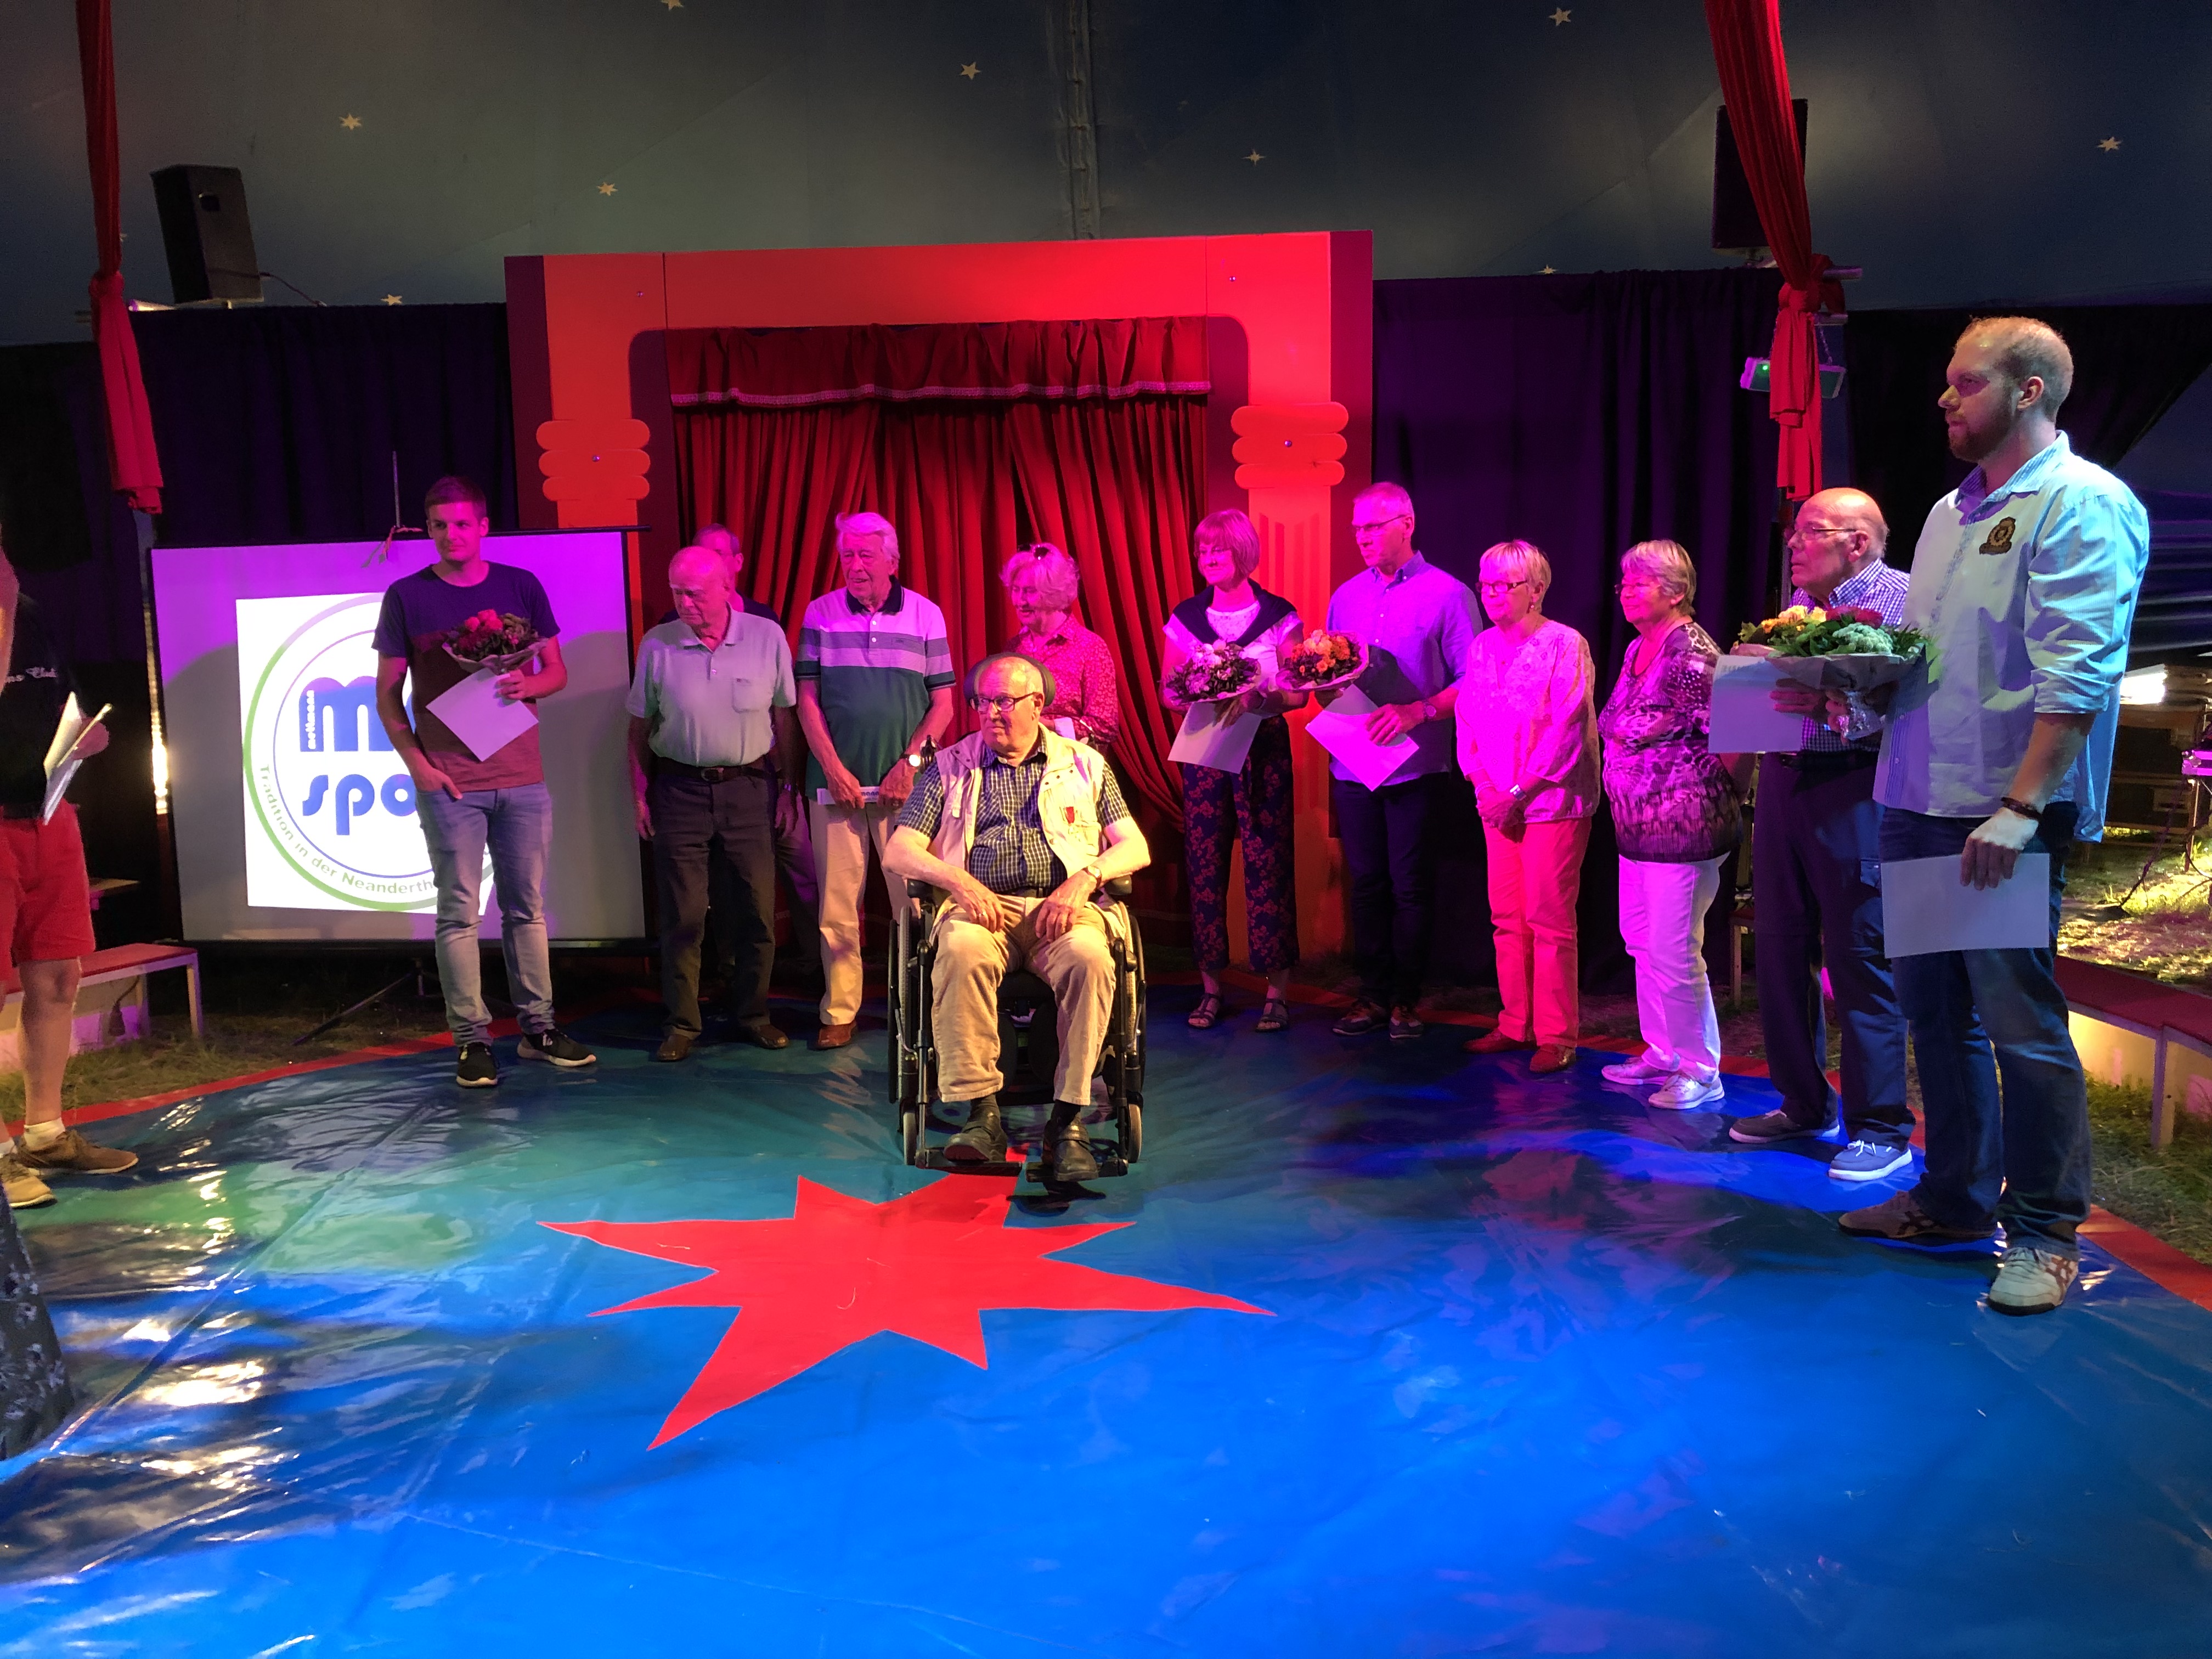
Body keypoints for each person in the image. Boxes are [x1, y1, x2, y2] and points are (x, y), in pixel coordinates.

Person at [1838, 318, 2149, 1317]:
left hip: (1996, 814)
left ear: (2028, 390)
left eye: (1965, 382)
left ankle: (2046, 1234)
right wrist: (1852, 679)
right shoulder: (1945, 512)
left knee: (2021, 1029)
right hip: (1917, 801)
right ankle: (1952, 1201)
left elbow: (2078, 674)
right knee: (1937, 1020)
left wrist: (2021, 807)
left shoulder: (2080, 500)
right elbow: (1932, 659)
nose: (1944, 398)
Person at [882, 654, 1151, 1182]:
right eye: (982, 701)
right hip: (983, 909)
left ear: (1037, 704)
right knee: (958, 951)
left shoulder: (1084, 764)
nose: (991, 712)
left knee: (1093, 960)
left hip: (1063, 910)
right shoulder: (950, 766)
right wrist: (960, 883)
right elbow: (899, 851)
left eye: (1004, 701)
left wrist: (1086, 879)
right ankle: (981, 1116)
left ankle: (1067, 1123)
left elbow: (1134, 846)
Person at [375, 475, 597, 1087]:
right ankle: (471, 1041)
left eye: (461, 524)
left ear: (483, 527)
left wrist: (530, 683)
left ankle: (539, 1030)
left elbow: (556, 671)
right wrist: (417, 763)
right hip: (451, 783)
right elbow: (387, 694)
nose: (451, 535)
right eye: (439, 526)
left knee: (528, 910)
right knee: (458, 914)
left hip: (523, 777)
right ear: (429, 530)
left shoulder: (520, 585)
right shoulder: (407, 596)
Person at [1724, 489, 1915, 1181]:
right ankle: (1803, 1102)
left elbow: (1918, 709)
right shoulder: (1803, 609)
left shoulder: (1902, 601)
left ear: (1856, 542)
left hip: (1855, 786)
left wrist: (1836, 705)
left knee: (1860, 956)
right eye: (1794, 533)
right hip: (1785, 781)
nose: (1793, 544)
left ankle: (1880, 1128)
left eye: (1809, 532)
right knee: (1779, 947)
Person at [629, 546, 802, 1060]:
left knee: (756, 911)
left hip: (749, 788)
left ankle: (753, 1014)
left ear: (726, 589)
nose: (684, 603)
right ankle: (683, 1023)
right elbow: (637, 727)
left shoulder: (766, 636)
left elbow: (785, 718)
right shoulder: (658, 643)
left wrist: (788, 790)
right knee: (683, 914)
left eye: (694, 594)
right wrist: (638, 793)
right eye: (676, 592)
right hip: (678, 790)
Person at [1322, 482, 1481, 1040]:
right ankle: (1371, 994)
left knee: (1409, 885)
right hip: (1354, 763)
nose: (1362, 538)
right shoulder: (1346, 596)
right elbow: (1332, 674)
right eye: (1357, 529)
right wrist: (1320, 689)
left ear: (1407, 524)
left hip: (1417, 766)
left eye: (1373, 527)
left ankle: (1406, 1000)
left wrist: (1420, 711)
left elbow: (1474, 679)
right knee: (1366, 884)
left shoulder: (1449, 594)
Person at [794, 511, 956, 1050]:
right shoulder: (819, 614)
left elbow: (943, 704)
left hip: (907, 790)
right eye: (847, 555)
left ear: (892, 559)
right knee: (837, 907)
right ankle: (840, 1010)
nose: (855, 565)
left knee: (914, 902)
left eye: (866, 555)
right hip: (834, 787)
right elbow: (807, 700)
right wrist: (834, 769)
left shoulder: (926, 614)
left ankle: (922, 1007)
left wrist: (908, 766)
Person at [0, 587, 138, 1210]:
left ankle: (45, 1135)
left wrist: (85, 733)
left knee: (57, 978)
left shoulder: (30, 611)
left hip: (49, 817)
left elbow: (65, 702)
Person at [1596, 540, 1743, 1110]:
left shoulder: (1690, 654)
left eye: (1641, 582)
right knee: (1641, 941)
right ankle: (1663, 1051)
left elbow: (1732, 737)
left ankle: (1701, 1070)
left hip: (1683, 827)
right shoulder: (1641, 647)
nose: (1627, 592)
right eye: (1624, 583)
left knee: (1674, 951)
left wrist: (1719, 799)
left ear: (1676, 591)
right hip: (1636, 827)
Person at [1454, 540, 1599, 1075]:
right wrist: (1484, 786)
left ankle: (1557, 1035)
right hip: (1497, 803)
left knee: (1549, 919)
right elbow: (1467, 720)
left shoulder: (1565, 643)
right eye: (1486, 584)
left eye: (1504, 585)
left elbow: (1567, 728)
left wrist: (1517, 792)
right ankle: (1516, 1022)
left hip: (1551, 801)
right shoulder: (1480, 647)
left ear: (1536, 590)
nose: (1492, 594)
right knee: (1507, 918)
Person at [1161, 510, 1304, 1034]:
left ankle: (1276, 992)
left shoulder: (1280, 614)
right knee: (1204, 865)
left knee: (1269, 863)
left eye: (1218, 549)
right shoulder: (1187, 617)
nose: (1208, 559)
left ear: (1243, 552)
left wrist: (1261, 698)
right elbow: (1168, 690)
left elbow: (1298, 691)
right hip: (1205, 750)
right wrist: (1201, 691)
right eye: (1202, 551)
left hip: (1263, 748)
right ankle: (1211, 987)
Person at [688, 524, 820, 989]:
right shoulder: (676, 625)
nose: (710, 563)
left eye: (718, 555)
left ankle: (819, 962)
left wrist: (788, 785)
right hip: (717, 783)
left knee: (803, 867)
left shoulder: (765, 623)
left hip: (770, 773)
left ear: (737, 564)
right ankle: (731, 975)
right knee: (727, 881)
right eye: (701, 554)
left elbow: (785, 708)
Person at [1001, 543, 1119, 748]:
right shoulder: (1014, 648)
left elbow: (1105, 726)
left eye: (1030, 591)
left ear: (1054, 593)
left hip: (1068, 760)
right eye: (1015, 590)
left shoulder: (1090, 648)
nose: (1019, 601)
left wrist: (1048, 726)